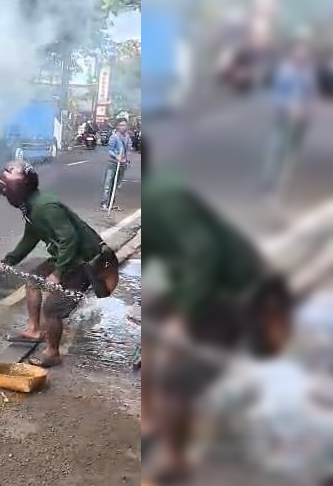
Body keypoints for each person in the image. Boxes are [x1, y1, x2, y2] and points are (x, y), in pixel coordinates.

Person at [142, 151, 293, 483]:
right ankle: (151, 418)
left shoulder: (163, 196)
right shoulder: (153, 203)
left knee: (179, 380)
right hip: (202, 281)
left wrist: (185, 316)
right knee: (152, 333)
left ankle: (175, 459)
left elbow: (204, 253)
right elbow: (155, 257)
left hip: (237, 290)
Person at [0, 161, 113, 368]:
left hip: (85, 261)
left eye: (4, 191)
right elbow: (31, 237)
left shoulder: (45, 206)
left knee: (52, 309)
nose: (4, 195)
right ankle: (33, 330)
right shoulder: (31, 207)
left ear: (15, 189)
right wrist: (9, 261)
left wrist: (57, 273)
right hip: (68, 256)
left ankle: (52, 353)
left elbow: (69, 239)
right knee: (33, 282)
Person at [263, 35, 317, 198]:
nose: (302, 55)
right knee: (277, 147)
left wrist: (307, 110)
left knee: (293, 151)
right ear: (292, 53)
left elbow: (311, 95)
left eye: (305, 53)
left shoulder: (309, 73)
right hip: (284, 116)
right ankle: (268, 182)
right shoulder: (284, 71)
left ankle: (284, 182)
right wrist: (289, 107)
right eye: (299, 52)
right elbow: (276, 95)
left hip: (302, 119)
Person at [100, 118, 132, 211]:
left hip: (122, 164)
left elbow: (128, 150)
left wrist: (126, 159)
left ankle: (111, 203)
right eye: (121, 125)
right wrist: (116, 156)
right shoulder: (114, 137)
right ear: (118, 126)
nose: (123, 127)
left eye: (125, 125)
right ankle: (104, 203)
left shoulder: (127, 138)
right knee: (108, 183)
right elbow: (110, 150)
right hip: (112, 163)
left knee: (117, 185)